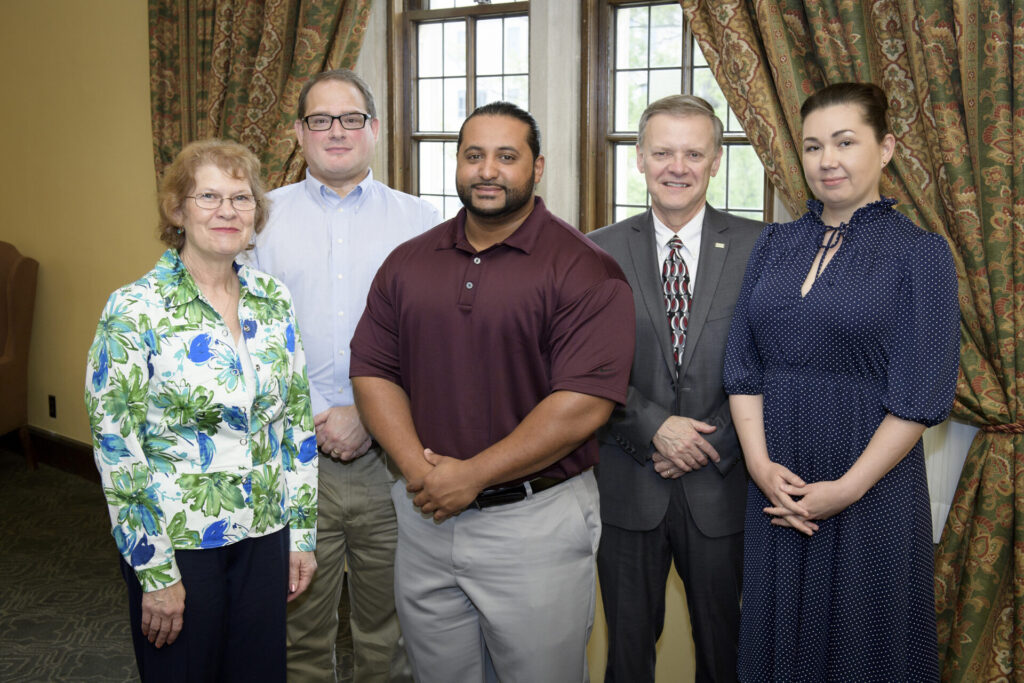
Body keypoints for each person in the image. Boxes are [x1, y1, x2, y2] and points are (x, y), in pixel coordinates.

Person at [349, 101, 636, 683]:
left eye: (507, 156)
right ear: (456, 163)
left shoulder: (585, 269)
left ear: (537, 167)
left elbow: (583, 403)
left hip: (535, 525)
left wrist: (473, 475)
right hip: (425, 515)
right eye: (473, 155)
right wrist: (419, 472)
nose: (487, 170)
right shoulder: (407, 262)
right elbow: (373, 370)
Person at [723, 82, 960, 681]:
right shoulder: (775, 243)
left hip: (868, 491)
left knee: (860, 652)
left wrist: (846, 490)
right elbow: (743, 364)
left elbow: (922, 393)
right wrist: (757, 465)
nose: (827, 160)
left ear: (885, 149)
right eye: (812, 146)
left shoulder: (919, 254)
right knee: (776, 647)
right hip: (777, 486)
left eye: (845, 142)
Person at [84, 139, 319, 682]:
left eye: (241, 198)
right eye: (208, 196)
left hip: (265, 533)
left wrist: (301, 535)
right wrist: (154, 572)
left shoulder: (273, 298)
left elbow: (296, 427)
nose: (227, 211)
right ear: (178, 209)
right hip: (179, 543)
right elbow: (117, 449)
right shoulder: (135, 308)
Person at [244, 69, 439, 682]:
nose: (336, 131)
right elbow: (239, 336)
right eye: (320, 119)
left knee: (391, 636)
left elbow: (434, 342)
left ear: (374, 130)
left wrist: (368, 417)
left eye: (350, 118)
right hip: (289, 459)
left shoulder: (422, 222)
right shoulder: (255, 219)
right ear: (299, 133)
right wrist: (315, 414)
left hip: (390, 461)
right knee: (298, 634)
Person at [589, 94, 761, 683]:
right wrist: (653, 428)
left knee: (727, 654)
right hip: (626, 486)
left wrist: (711, 442)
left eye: (693, 152)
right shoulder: (594, 252)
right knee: (627, 657)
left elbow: (776, 361)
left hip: (724, 486)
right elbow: (581, 368)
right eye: (663, 151)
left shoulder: (762, 248)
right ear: (639, 158)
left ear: (716, 160)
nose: (677, 166)